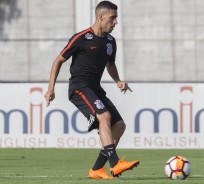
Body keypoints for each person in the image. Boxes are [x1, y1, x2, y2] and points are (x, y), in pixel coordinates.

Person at [44, 0, 139, 179]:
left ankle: (96, 170)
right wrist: (51, 89)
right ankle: (115, 163)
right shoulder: (81, 38)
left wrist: (118, 80)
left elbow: (110, 64)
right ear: (100, 16)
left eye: (116, 18)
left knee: (119, 125)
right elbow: (58, 61)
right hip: (79, 87)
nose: (116, 22)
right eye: (113, 18)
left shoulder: (110, 42)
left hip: (95, 88)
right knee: (104, 117)